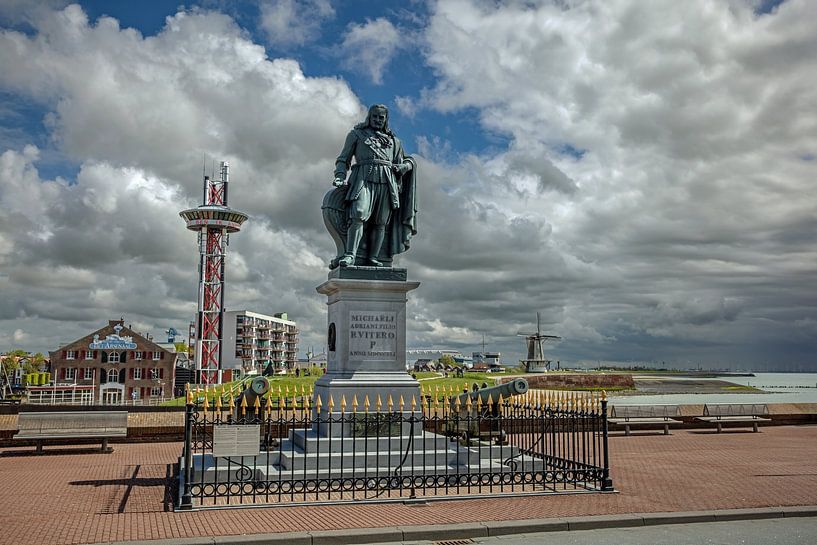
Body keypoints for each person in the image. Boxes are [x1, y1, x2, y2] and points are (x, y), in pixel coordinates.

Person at [325, 104, 417, 268]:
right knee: (359, 213)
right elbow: (343, 159)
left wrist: (405, 166)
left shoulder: (394, 141)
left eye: (381, 117)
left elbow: (407, 160)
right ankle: (350, 255)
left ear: (385, 119)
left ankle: (374, 257)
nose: (377, 120)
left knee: (381, 221)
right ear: (369, 117)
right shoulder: (356, 135)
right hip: (363, 178)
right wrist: (340, 176)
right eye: (375, 116)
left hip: (387, 182)